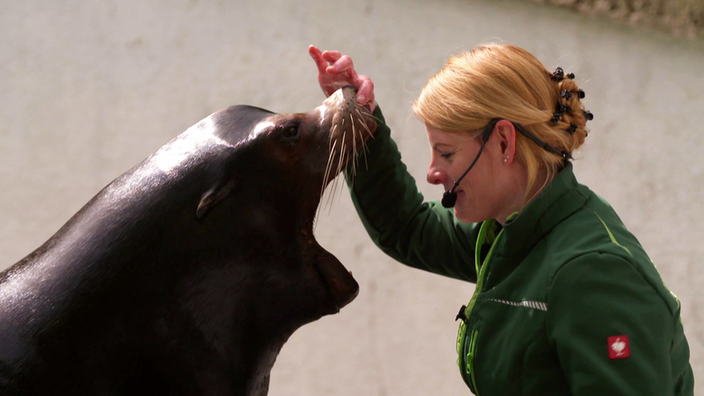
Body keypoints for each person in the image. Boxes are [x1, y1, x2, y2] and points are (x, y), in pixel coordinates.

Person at [308, 43, 694, 395]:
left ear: (504, 143)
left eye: (446, 153)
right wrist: (359, 119)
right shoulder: (512, 228)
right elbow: (406, 228)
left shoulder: (595, 274)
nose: (432, 172)